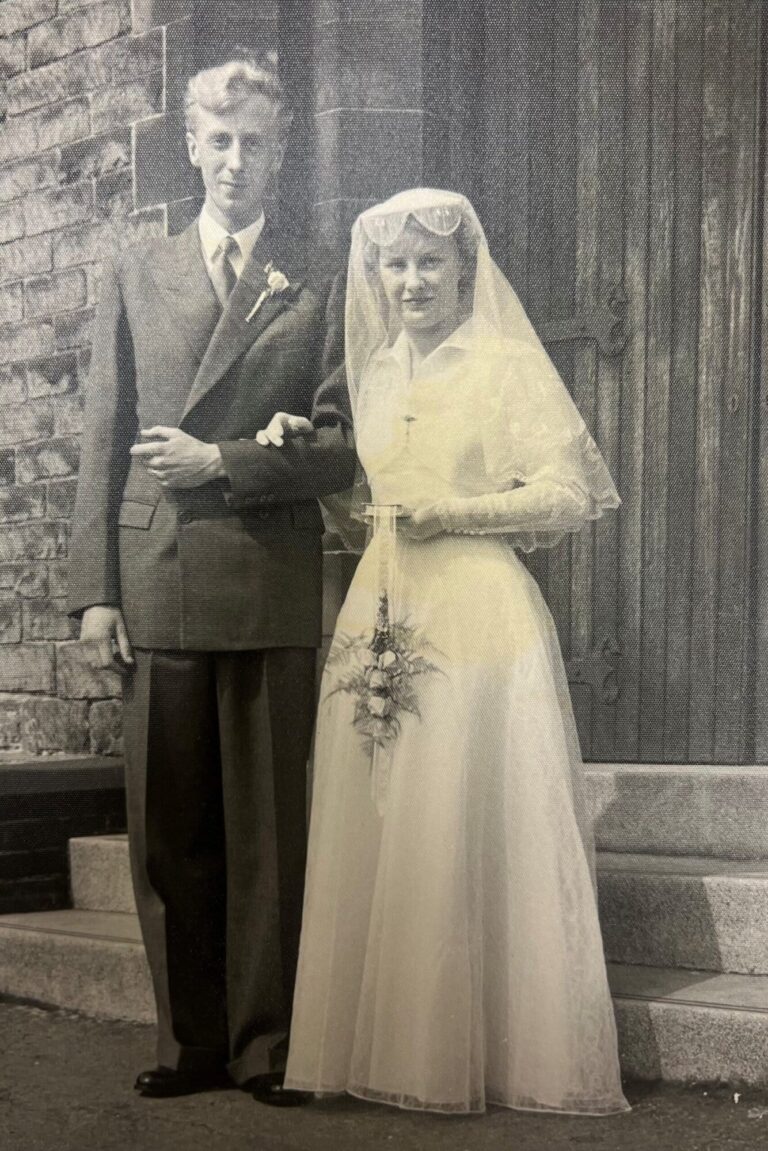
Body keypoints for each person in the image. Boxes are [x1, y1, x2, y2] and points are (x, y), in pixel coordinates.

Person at [266, 188, 629, 1114]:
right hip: (385, 608)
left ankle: (485, 1051)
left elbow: (568, 493)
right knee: (392, 820)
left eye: (431, 261)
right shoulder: (377, 370)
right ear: (376, 278)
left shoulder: (503, 363)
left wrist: (454, 514)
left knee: (463, 812)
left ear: (465, 268)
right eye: (396, 264)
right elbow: (366, 511)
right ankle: (388, 1046)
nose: (413, 279)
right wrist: (303, 461)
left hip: (477, 608)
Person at [67, 54, 354, 1105]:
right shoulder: (135, 269)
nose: (237, 160)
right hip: (158, 570)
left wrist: (225, 463)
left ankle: (265, 1046)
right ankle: (189, 1039)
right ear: (191, 146)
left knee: (271, 831)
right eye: (220, 140)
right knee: (171, 826)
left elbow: (340, 447)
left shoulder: (320, 273)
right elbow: (103, 438)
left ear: (281, 153)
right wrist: (96, 591)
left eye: (258, 143)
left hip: (269, 573)